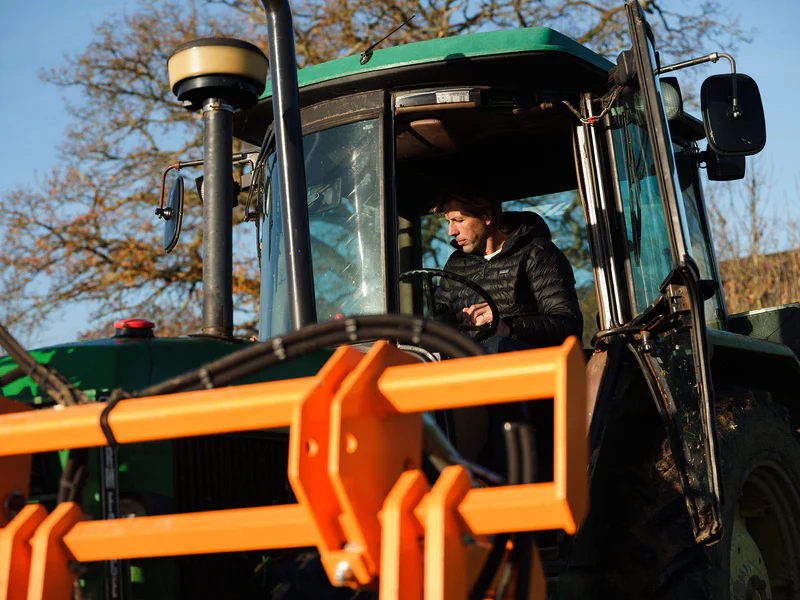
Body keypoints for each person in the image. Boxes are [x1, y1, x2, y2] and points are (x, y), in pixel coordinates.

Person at [432, 191, 583, 352]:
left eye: (459, 220)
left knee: (497, 345)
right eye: (448, 222)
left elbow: (568, 326)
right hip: (470, 367)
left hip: (529, 366)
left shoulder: (536, 252)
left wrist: (508, 326)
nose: (451, 232)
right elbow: (437, 323)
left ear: (486, 216)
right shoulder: (456, 264)